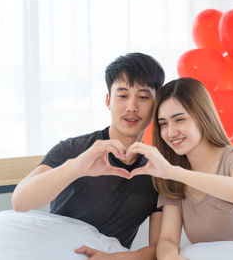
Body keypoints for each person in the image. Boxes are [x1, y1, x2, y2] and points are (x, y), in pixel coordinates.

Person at [11, 52, 165, 260]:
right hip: (55, 252)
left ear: (156, 105)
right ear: (108, 101)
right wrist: (77, 167)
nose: (132, 107)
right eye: (122, 95)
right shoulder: (75, 149)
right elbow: (20, 201)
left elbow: (160, 247)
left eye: (144, 97)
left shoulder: (157, 170)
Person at [125, 77, 233, 260]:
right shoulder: (174, 179)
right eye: (163, 124)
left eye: (179, 120)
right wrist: (170, 257)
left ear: (202, 117)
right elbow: (167, 239)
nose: (171, 132)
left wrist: (173, 172)